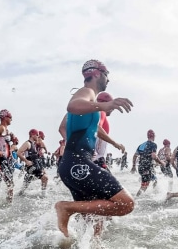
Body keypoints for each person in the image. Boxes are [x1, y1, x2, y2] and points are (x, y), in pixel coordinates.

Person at [55, 59, 134, 237]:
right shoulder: (87, 92)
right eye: (107, 75)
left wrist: (72, 145)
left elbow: (62, 125)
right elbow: (72, 106)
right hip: (78, 163)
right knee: (125, 204)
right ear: (97, 73)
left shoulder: (91, 107)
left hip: (73, 164)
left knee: (94, 219)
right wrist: (104, 105)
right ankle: (65, 207)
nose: (108, 80)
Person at [17, 129, 49, 195]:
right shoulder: (27, 143)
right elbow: (18, 152)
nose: (38, 136)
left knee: (25, 186)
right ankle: (43, 194)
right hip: (31, 167)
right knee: (45, 177)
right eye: (37, 135)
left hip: (35, 166)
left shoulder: (33, 144)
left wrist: (42, 151)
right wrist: (26, 161)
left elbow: (41, 146)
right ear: (32, 135)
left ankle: (21, 193)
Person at [131, 129, 163, 195]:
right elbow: (154, 156)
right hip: (146, 168)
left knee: (155, 180)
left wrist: (133, 166)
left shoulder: (141, 145)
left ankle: (154, 194)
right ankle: (135, 199)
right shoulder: (153, 144)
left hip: (141, 167)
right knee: (144, 186)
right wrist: (161, 162)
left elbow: (135, 156)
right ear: (153, 136)